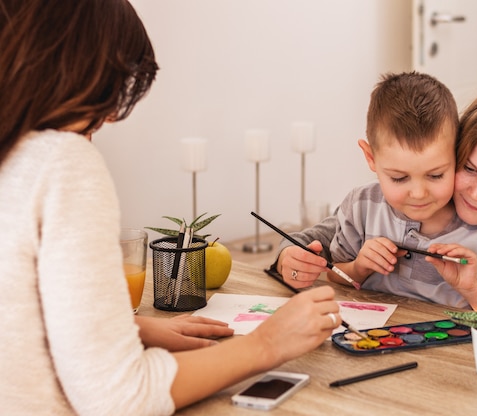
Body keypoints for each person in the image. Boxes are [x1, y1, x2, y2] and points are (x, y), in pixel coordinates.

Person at [0, 1, 340, 414]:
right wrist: (268, 343)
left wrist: (127, 329)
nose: (108, 119)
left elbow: (17, 312)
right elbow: (120, 399)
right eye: (112, 87)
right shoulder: (60, 163)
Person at [272, 75, 477, 332]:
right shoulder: (397, 198)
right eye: (468, 168)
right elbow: (319, 241)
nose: (476, 193)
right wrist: (290, 257)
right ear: (455, 150)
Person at [296, 72, 477, 310]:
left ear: (457, 153)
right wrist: (359, 267)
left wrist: (472, 289)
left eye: (436, 175)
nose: (418, 193)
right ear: (371, 158)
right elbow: (335, 276)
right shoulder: (361, 207)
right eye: (399, 178)